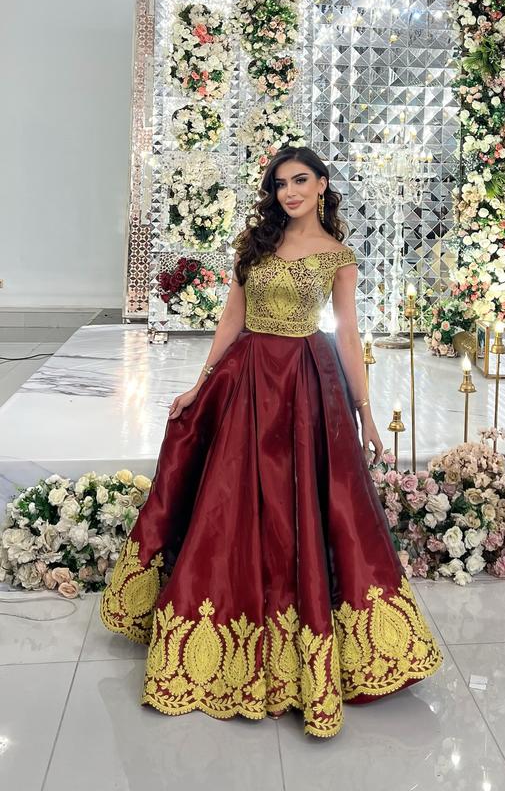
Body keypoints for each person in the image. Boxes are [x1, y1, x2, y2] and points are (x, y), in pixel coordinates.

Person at [100, 145, 443, 738]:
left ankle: (302, 642)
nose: (290, 192)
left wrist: (365, 412)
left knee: (299, 508)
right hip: (247, 379)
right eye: (281, 184)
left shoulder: (338, 256)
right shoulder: (256, 244)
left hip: (306, 385)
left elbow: (349, 334)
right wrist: (200, 383)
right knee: (229, 502)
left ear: (322, 184)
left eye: (301, 180)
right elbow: (231, 317)